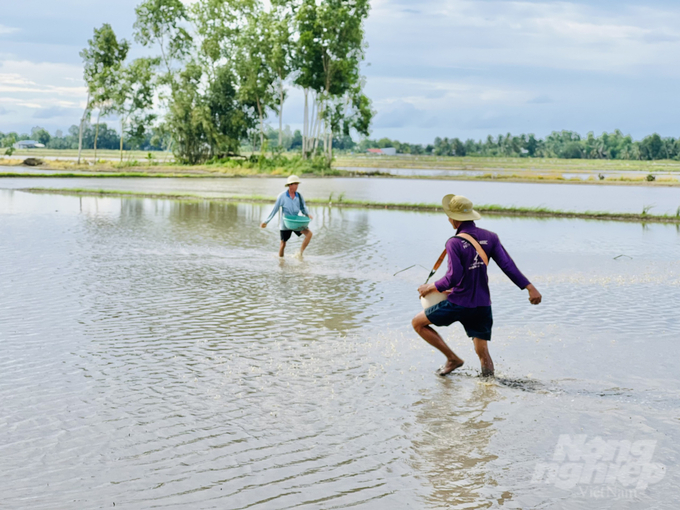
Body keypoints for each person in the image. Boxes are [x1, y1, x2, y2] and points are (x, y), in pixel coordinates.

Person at [412, 194, 542, 377]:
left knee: (417, 323)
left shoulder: (454, 242)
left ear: (455, 219)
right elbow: (508, 266)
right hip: (482, 305)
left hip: (458, 303)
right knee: (483, 353)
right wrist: (529, 287)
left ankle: (452, 359)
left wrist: (431, 286)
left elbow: (453, 277)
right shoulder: (491, 237)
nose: (448, 219)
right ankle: (488, 386)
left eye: (449, 215)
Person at [261, 175, 314, 258]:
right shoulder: (282, 196)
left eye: (297, 184)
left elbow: (303, 207)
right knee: (283, 244)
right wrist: (266, 221)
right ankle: (281, 261)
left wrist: (307, 214)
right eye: (295, 184)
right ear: (290, 185)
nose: (297, 186)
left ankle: (300, 253)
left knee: (309, 234)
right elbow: (275, 209)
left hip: (296, 222)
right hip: (286, 223)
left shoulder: (299, 196)